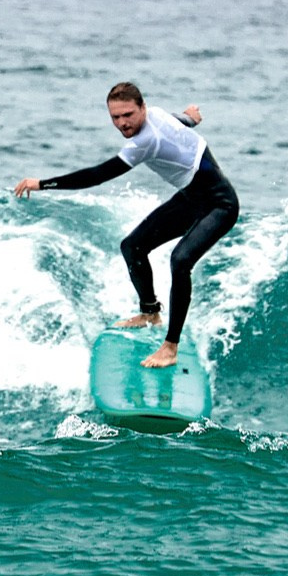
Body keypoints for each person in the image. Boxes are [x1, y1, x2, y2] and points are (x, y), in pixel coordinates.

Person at [13, 81, 239, 369]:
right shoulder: (156, 114)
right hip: (192, 198)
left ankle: (170, 347)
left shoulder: (144, 143)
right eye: (115, 117)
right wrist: (191, 117)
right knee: (133, 246)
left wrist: (43, 184)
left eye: (128, 115)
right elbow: (180, 121)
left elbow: (97, 175)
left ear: (142, 108)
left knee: (180, 261)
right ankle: (150, 312)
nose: (122, 123)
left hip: (220, 205)